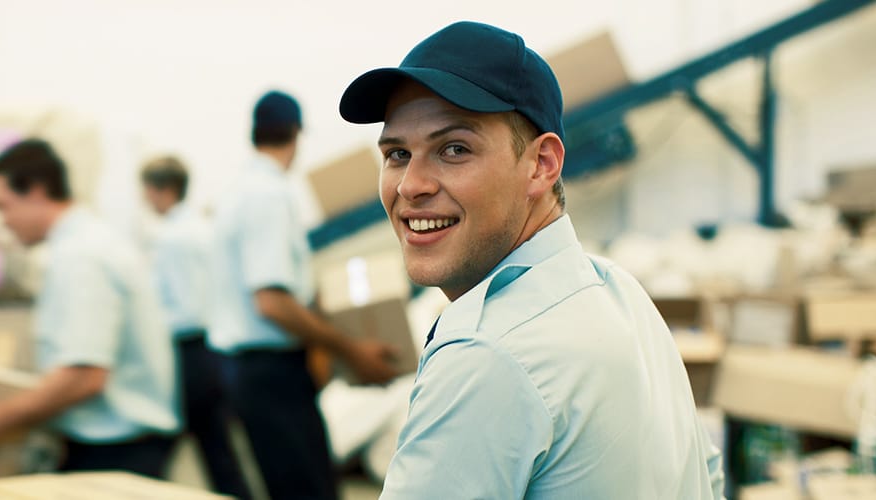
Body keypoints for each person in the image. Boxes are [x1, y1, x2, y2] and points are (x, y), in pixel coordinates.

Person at [338, 21, 726, 499]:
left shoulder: (488, 355)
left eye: (453, 149)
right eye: (397, 153)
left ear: (542, 164)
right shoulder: (621, 295)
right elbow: (707, 477)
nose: (410, 185)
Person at [0, 139, 179, 478]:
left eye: (4, 206)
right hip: (115, 444)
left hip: (116, 450)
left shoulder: (82, 256)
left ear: (37, 191)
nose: (4, 221)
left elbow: (84, 377)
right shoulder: (83, 244)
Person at [208, 90, 401, 500]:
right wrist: (350, 350)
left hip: (249, 371)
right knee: (310, 490)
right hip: (272, 374)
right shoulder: (270, 194)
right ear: (295, 134)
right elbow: (273, 301)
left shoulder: (238, 192)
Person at [140, 156, 253, 499]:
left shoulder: (173, 238)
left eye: (146, 191)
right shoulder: (203, 229)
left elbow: (188, 309)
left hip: (191, 352)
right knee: (218, 449)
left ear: (165, 190)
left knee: (182, 444)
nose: (144, 200)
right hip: (213, 350)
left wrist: (149, 324)